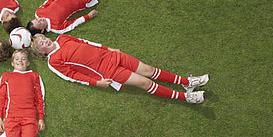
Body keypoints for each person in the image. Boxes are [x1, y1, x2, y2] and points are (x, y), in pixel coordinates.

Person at [30, 34, 208, 103]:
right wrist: (97, 82)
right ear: (41, 53)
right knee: (145, 82)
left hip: (112, 56)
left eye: (43, 38)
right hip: (108, 72)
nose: (45, 41)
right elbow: (73, 76)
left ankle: (186, 82)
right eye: (41, 44)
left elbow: (85, 42)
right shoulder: (53, 61)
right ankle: (186, 97)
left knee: (149, 69)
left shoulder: (62, 38)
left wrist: (107, 48)